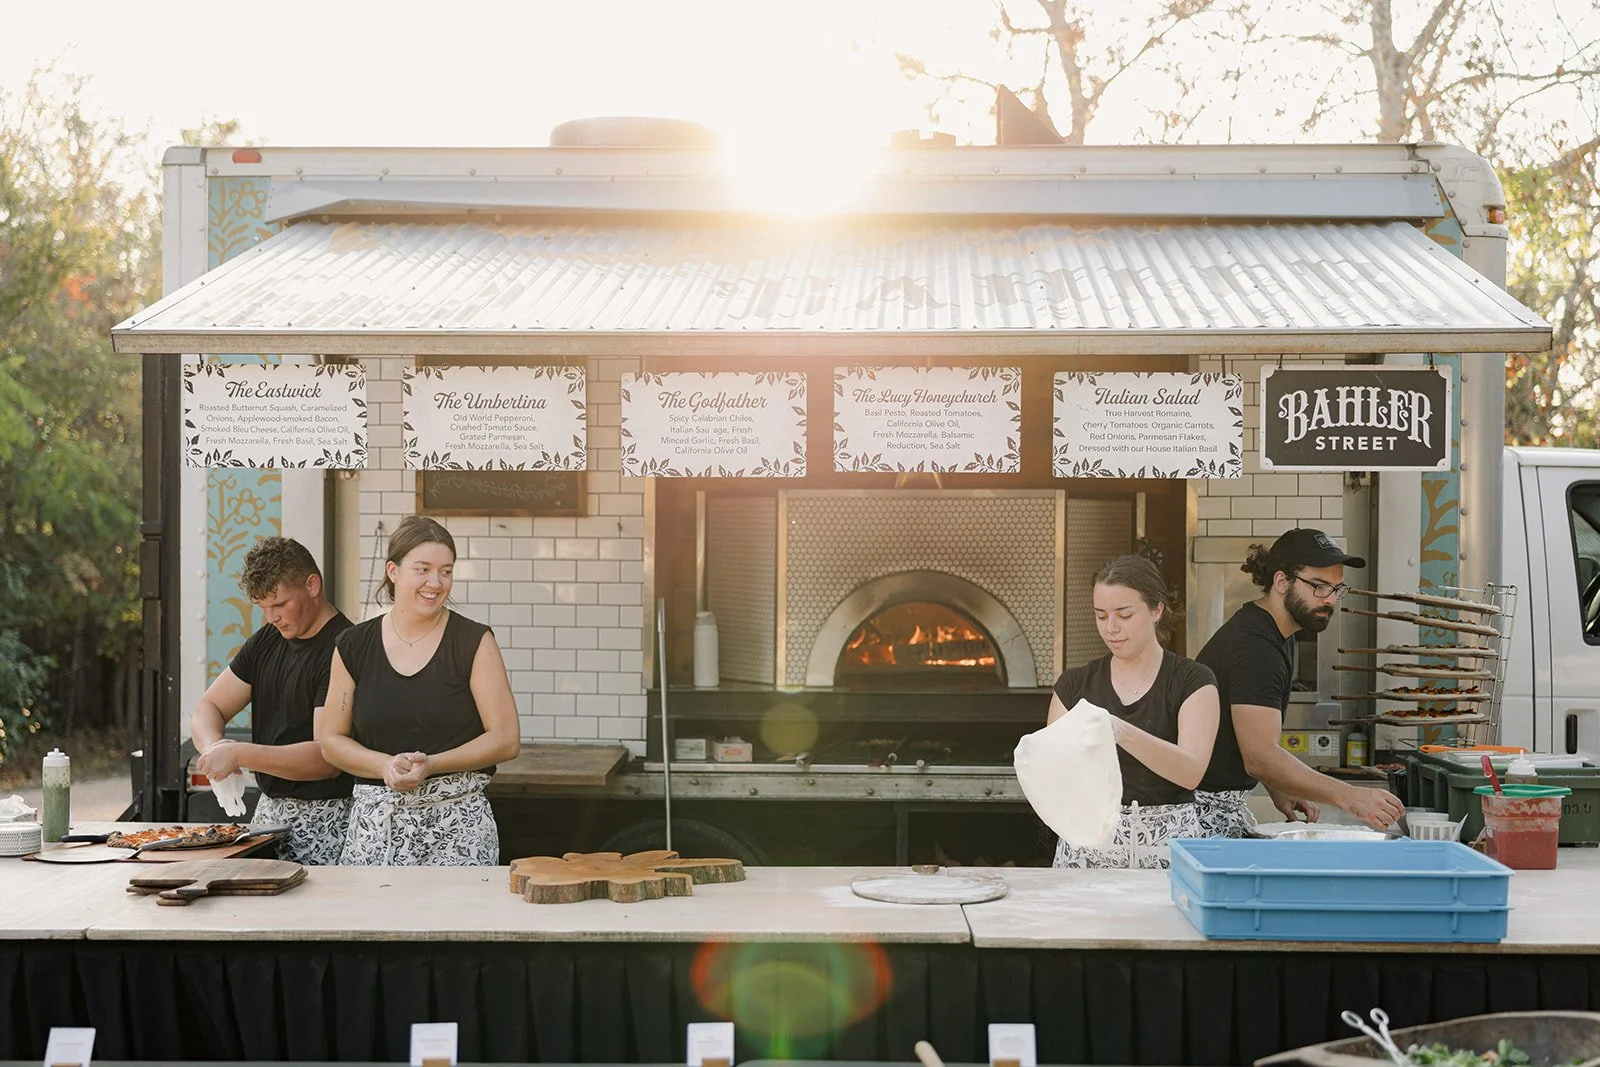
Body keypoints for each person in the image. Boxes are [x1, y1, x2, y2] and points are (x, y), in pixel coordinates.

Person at [316, 515, 521, 865]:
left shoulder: (473, 641)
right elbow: (331, 741)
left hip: (458, 828)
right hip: (376, 830)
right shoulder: (353, 645)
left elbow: (506, 739)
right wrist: (385, 765)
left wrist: (433, 764)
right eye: (423, 569)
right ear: (393, 571)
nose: (435, 583)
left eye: (446, 571)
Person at [1194, 527, 1407, 835]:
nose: (1330, 600)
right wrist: (1353, 798)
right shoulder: (1256, 647)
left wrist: (1279, 786)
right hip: (1200, 813)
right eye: (1319, 586)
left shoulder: (1275, 631)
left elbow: (1242, 735)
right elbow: (1260, 756)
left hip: (1219, 805)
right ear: (1282, 581)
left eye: (1336, 588)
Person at [1049, 555, 1220, 869]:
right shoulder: (1073, 685)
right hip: (1088, 850)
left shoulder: (1193, 681)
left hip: (1168, 848)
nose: (1111, 628)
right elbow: (1056, 774)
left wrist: (1118, 730)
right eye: (1101, 616)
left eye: (1124, 615)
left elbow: (1191, 773)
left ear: (1157, 610)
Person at [190, 537, 354, 865]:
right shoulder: (266, 640)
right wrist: (214, 751)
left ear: (312, 585)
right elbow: (209, 708)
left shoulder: (344, 647)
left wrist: (239, 754)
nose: (271, 618)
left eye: (279, 604)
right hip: (268, 814)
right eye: (263, 608)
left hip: (329, 821)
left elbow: (326, 758)